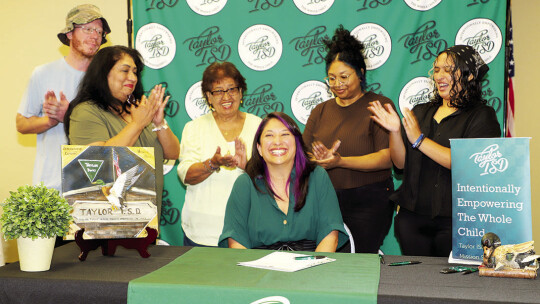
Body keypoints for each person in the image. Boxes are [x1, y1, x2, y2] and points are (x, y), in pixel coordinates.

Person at [368, 45, 501, 257]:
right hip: (412, 219)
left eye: (448, 70)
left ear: (468, 76)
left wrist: (420, 140)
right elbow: (400, 164)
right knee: (417, 284)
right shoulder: (421, 111)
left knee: (453, 287)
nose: (439, 75)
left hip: (458, 221)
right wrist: (394, 131)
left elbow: (468, 164)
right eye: (436, 69)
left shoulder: (482, 116)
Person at [302, 25, 395, 253]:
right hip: (325, 199)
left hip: (369, 200)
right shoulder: (320, 110)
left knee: (360, 261)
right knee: (325, 261)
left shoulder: (378, 106)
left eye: (344, 76)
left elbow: (387, 158)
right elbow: (302, 153)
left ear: (361, 73)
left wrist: (341, 161)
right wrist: (319, 158)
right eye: (331, 78)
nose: (337, 84)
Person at [64, 46, 180, 213]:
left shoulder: (139, 109)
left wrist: (158, 122)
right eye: (125, 71)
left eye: (135, 72)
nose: (132, 77)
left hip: (145, 218)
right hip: (104, 221)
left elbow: (173, 154)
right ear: (103, 74)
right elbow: (98, 165)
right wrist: (137, 125)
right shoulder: (86, 111)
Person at [219, 112, 348, 252]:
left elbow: (330, 235)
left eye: (285, 134)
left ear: (297, 143)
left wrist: (315, 268)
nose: (277, 141)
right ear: (259, 148)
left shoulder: (317, 177)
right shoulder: (245, 184)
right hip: (258, 267)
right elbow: (236, 241)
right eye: (269, 135)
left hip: (311, 265)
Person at [16, 4, 111, 192]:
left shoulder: (108, 79)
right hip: (51, 185)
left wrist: (69, 116)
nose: (94, 36)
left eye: (99, 32)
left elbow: (117, 128)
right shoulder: (43, 74)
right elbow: (21, 124)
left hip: (96, 186)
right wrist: (50, 120)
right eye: (88, 29)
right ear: (69, 34)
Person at [177, 62, 262, 247]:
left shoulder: (259, 126)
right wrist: (212, 164)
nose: (226, 96)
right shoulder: (194, 128)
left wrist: (246, 166)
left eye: (232, 89)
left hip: (247, 229)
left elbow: (272, 179)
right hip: (201, 232)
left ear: (241, 92)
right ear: (208, 96)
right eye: (218, 91)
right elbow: (186, 175)